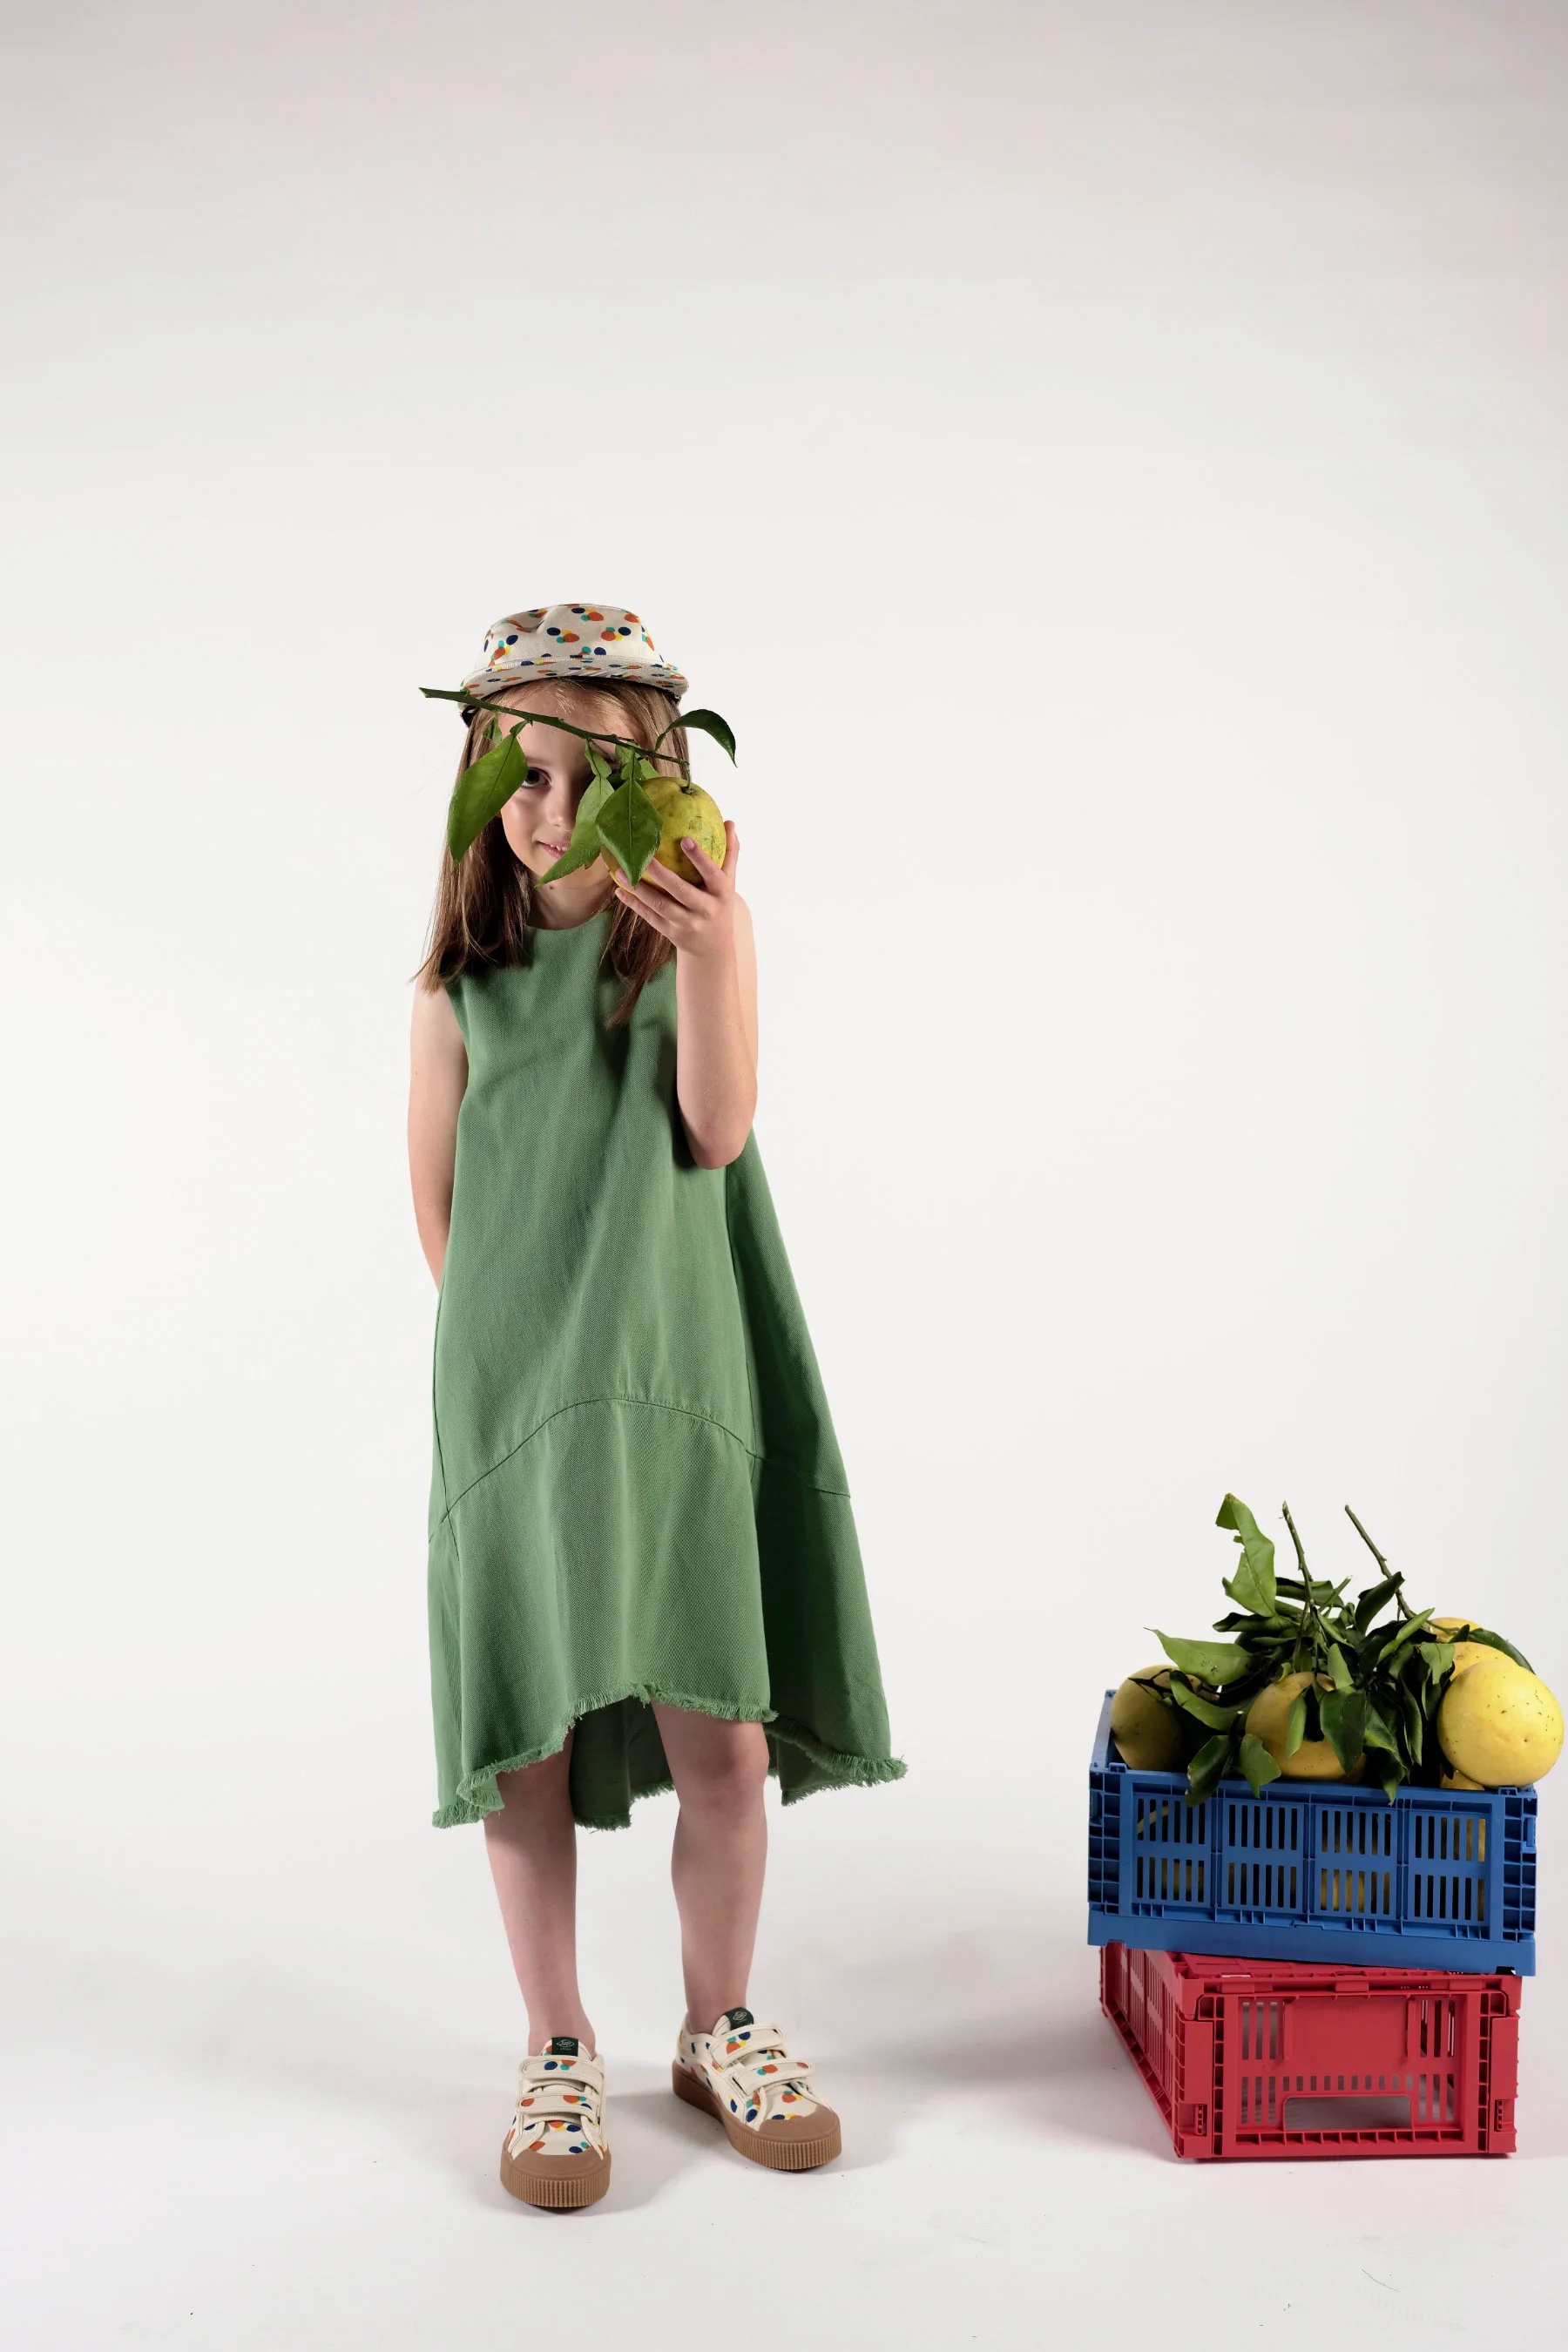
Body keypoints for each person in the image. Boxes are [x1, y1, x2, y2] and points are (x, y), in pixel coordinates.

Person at [407, 602, 904, 2213]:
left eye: (597, 777)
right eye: (526, 775)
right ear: (482, 782)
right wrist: (524, 1371)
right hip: (522, 1397)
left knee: (725, 1743)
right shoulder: (458, 989)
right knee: (529, 1746)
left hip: (681, 1379)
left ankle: (716, 2025)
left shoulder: (690, 946)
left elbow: (715, 1128)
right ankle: (557, 2043)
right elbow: (441, 1218)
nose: (554, 810)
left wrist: (712, 946)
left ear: (663, 781)